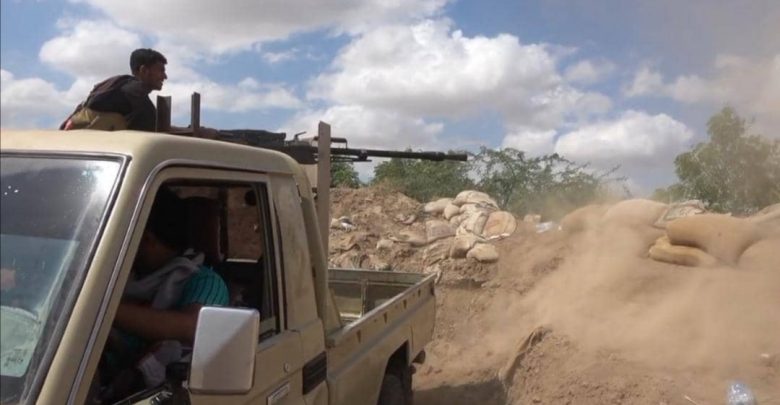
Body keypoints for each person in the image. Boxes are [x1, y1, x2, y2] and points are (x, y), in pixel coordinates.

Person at [102, 188, 228, 398]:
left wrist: (101, 310)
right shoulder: (120, 277)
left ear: (147, 239)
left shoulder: (204, 281)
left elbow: (191, 326)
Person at [60, 48, 168, 132]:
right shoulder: (135, 91)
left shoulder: (120, 87)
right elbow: (154, 131)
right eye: (161, 70)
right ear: (144, 70)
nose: (165, 76)